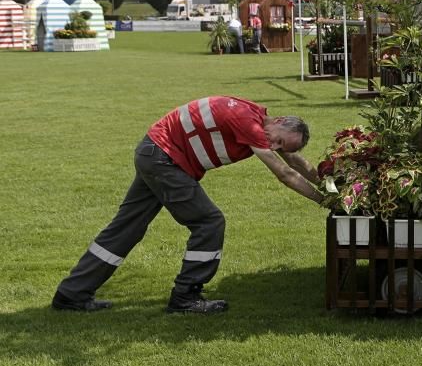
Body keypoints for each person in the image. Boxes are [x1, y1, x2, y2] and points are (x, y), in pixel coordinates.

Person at [53, 96, 325, 314]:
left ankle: (71, 294)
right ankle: (186, 297)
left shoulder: (254, 115)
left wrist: (329, 182)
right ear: (277, 121)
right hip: (165, 160)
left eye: (281, 146)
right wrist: (323, 200)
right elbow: (285, 174)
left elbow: (295, 162)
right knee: (209, 222)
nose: (275, 146)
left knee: (126, 228)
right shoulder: (249, 123)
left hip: (154, 152)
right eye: (278, 140)